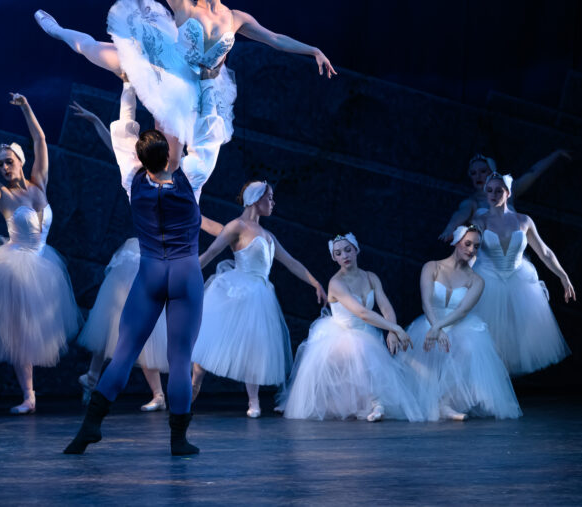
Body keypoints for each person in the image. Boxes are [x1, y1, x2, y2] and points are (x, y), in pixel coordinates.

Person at [35, 0, 334, 152]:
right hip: (165, 71)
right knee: (95, 49)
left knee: (172, 158)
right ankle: (58, 31)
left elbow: (275, 38)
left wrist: (313, 50)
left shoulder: (236, 18)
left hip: (199, 89)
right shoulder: (185, 5)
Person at [63, 81, 220, 456]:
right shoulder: (192, 177)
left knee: (124, 353)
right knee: (180, 359)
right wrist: (208, 85)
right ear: (168, 154)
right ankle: (178, 440)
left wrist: (129, 83)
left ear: (141, 156)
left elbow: (124, 122)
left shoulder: (131, 177)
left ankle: (90, 428)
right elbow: (210, 128)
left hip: (150, 272)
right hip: (184, 273)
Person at [0, 94, 82, 415]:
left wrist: (27, 107)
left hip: (41, 266)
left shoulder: (39, 184)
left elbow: (40, 139)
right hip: (15, 268)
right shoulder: (3, 196)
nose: (3, 167)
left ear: (20, 161)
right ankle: (28, 396)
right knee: (17, 333)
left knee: (13, 334)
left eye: (8, 161)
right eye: (0, 163)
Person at [191, 181, 326, 418]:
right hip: (236, 289)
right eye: (270, 198)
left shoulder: (268, 235)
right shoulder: (237, 226)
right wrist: (186, 274)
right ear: (256, 199)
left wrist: (315, 282)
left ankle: (253, 401)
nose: (273, 203)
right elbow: (212, 252)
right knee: (214, 339)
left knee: (253, 346)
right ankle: (194, 383)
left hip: (259, 294)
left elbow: (291, 261)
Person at [69, 100, 169, 411]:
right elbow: (115, 148)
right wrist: (97, 121)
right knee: (117, 318)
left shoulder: (169, 178)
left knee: (139, 324)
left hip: (154, 256)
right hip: (137, 255)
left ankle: (148, 391)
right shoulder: (135, 178)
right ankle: (96, 376)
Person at [279, 234, 424, 422]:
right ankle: (376, 402)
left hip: (367, 331)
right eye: (338, 253)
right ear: (334, 258)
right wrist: (396, 329)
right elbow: (362, 313)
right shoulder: (336, 283)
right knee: (360, 347)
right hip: (340, 334)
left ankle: (373, 402)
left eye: (348, 250)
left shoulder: (371, 277)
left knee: (367, 350)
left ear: (356, 250)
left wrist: (391, 329)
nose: (344, 255)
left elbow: (385, 306)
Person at [401, 226, 521, 420]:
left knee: (468, 348)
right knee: (419, 353)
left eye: (476, 246)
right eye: (467, 244)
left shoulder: (477, 280)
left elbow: (462, 310)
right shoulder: (432, 267)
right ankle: (430, 400)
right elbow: (426, 302)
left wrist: (440, 328)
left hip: (458, 324)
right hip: (431, 321)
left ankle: (445, 402)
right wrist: (436, 327)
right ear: (456, 241)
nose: (471, 249)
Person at [472, 173, 576, 375]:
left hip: (518, 283)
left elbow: (545, 252)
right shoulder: (480, 220)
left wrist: (563, 276)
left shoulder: (523, 221)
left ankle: (504, 390)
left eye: (498, 190)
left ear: (508, 193)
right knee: (488, 338)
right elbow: (470, 252)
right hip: (489, 281)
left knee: (513, 339)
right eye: (489, 190)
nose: (493, 194)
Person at [438, 150, 571, 242]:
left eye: (483, 171)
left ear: (492, 172)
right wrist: (450, 228)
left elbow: (533, 173)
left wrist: (555, 154)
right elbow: (461, 213)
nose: (478, 176)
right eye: (473, 173)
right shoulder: (472, 202)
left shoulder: (509, 191)